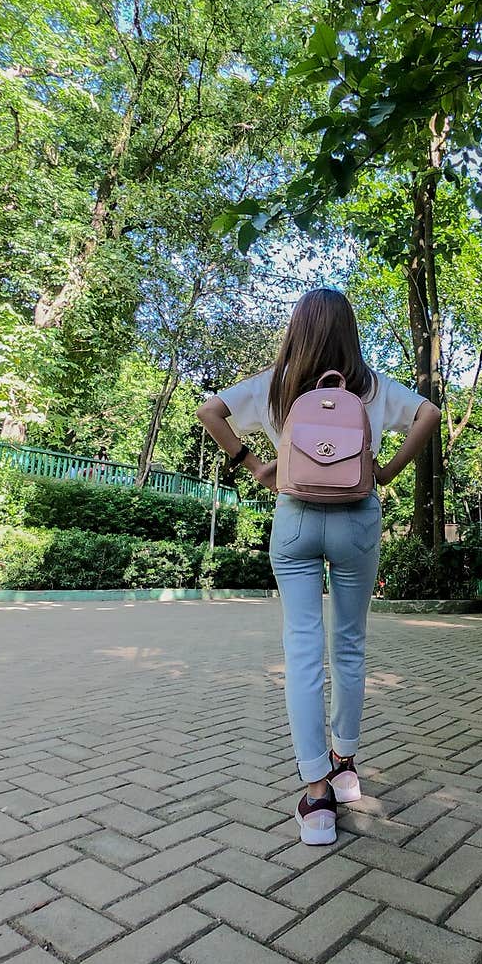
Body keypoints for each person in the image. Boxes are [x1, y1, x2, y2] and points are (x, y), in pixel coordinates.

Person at [196, 289, 440, 845]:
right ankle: (346, 766)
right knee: (349, 644)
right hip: (357, 519)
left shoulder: (278, 383)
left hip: (296, 518)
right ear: (350, 331)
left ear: (298, 329)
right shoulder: (371, 385)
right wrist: (389, 471)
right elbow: (429, 413)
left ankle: (315, 796)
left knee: (301, 649)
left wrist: (256, 464)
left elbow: (210, 409)